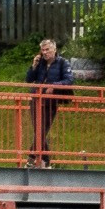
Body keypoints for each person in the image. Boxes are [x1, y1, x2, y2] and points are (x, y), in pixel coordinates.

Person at [26, 38, 73, 168]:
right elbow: (29, 79)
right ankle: (45, 161)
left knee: (41, 131)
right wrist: (33, 66)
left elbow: (69, 80)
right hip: (36, 99)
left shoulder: (63, 63)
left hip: (50, 102)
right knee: (39, 131)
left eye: (47, 49)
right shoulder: (40, 63)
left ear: (54, 49)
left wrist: (54, 85)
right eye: (43, 50)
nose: (45, 52)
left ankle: (32, 157)